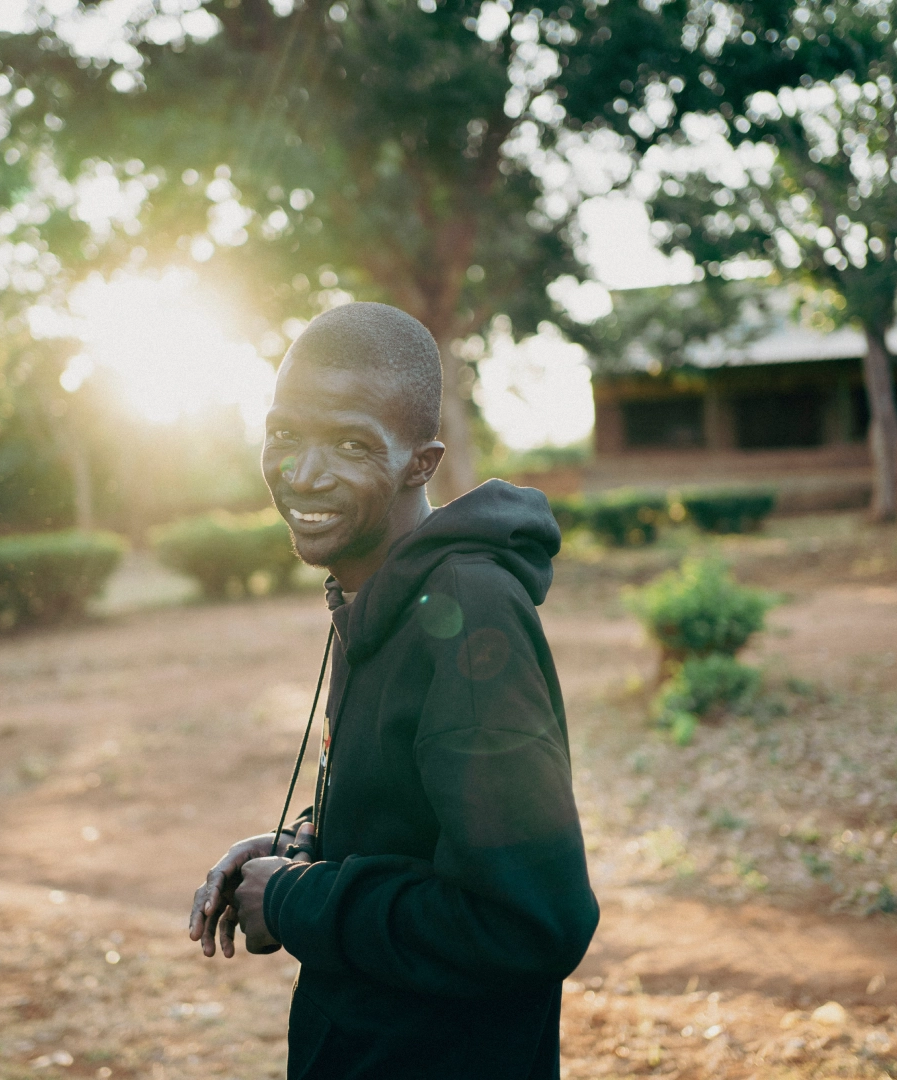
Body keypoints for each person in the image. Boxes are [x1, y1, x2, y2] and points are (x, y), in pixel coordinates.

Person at [186, 302, 599, 1079]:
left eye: (348, 444)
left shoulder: (469, 611)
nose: (302, 474)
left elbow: (530, 923)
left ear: (421, 461)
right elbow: (417, 816)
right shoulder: (373, 593)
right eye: (284, 436)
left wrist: (293, 902)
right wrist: (305, 846)